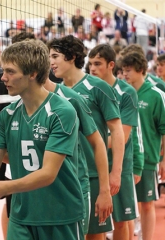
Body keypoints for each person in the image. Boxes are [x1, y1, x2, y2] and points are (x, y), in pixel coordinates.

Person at [0, 40, 85, 240]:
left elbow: (48, 173)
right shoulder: (8, 114)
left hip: (59, 214)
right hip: (21, 215)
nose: (3, 78)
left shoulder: (61, 111)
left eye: (10, 72)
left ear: (32, 73)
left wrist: (4, 187)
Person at [47, 35, 124, 240]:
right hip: (64, 175)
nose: (50, 62)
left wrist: (115, 173)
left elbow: (116, 131)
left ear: (71, 57)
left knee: (94, 235)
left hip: (93, 175)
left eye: (55, 56)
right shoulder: (52, 92)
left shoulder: (97, 87)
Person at [88, 44, 139, 240]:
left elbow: (122, 136)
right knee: (97, 224)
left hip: (119, 166)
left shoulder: (126, 93)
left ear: (110, 65)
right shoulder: (87, 89)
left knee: (120, 221)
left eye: (98, 63)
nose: (92, 68)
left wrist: (89, 143)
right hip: (93, 167)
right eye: (90, 63)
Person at [120, 51, 165, 240]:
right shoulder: (122, 92)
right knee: (128, 206)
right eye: (123, 71)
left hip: (148, 158)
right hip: (125, 159)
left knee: (146, 203)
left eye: (128, 70)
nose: (125, 75)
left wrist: (163, 159)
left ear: (140, 70)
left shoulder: (156, 95)